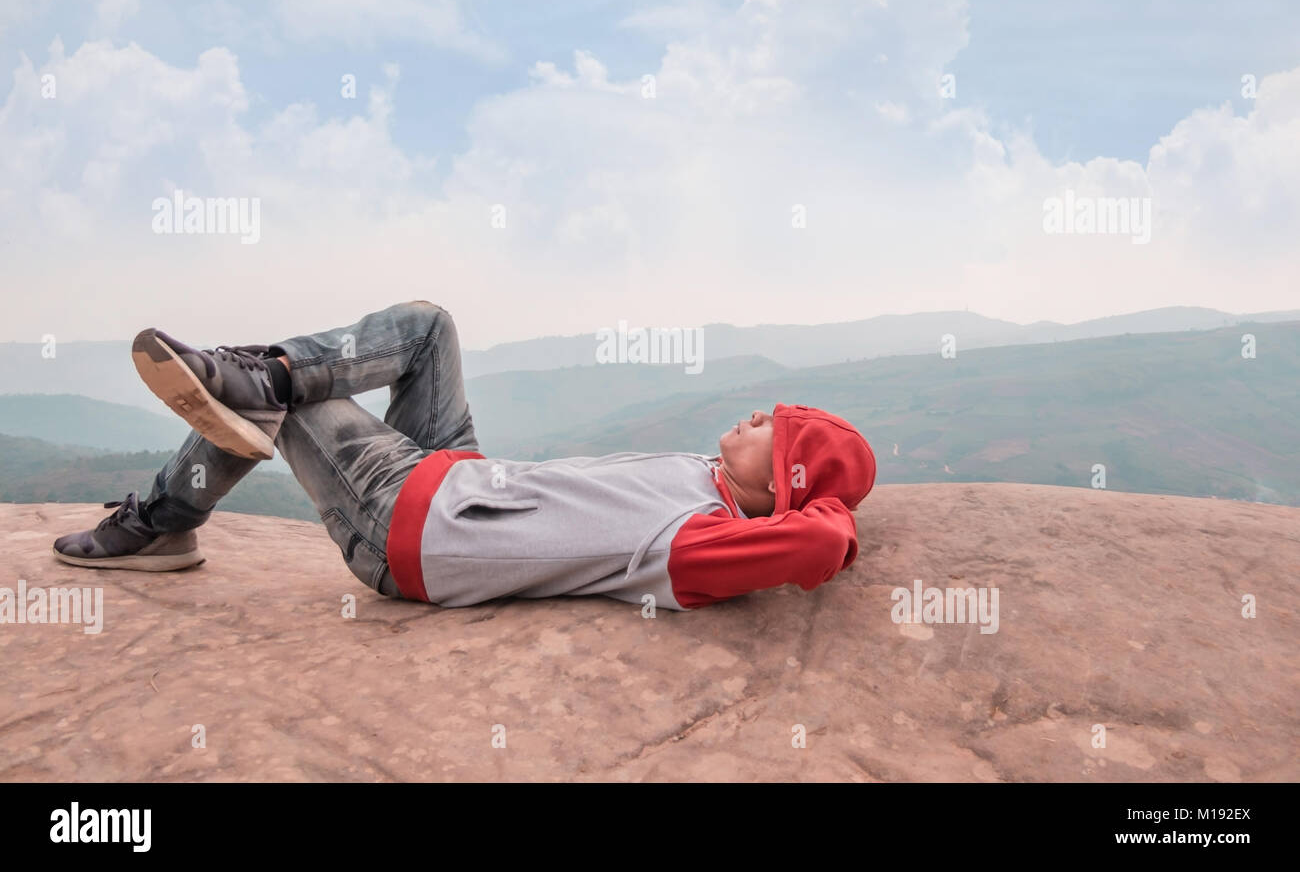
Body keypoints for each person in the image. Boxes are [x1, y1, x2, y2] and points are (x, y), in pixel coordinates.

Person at [52, 301, 876, 611]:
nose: (761, 412)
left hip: (409, 525)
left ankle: (166, 517)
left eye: (779, 426)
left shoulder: (697, 543)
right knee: (428, 327)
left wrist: (826, 508)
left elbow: (816, 544)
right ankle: (258, 372)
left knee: (281, 402)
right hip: (459, 478)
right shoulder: (705, 474)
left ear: (788, 478)